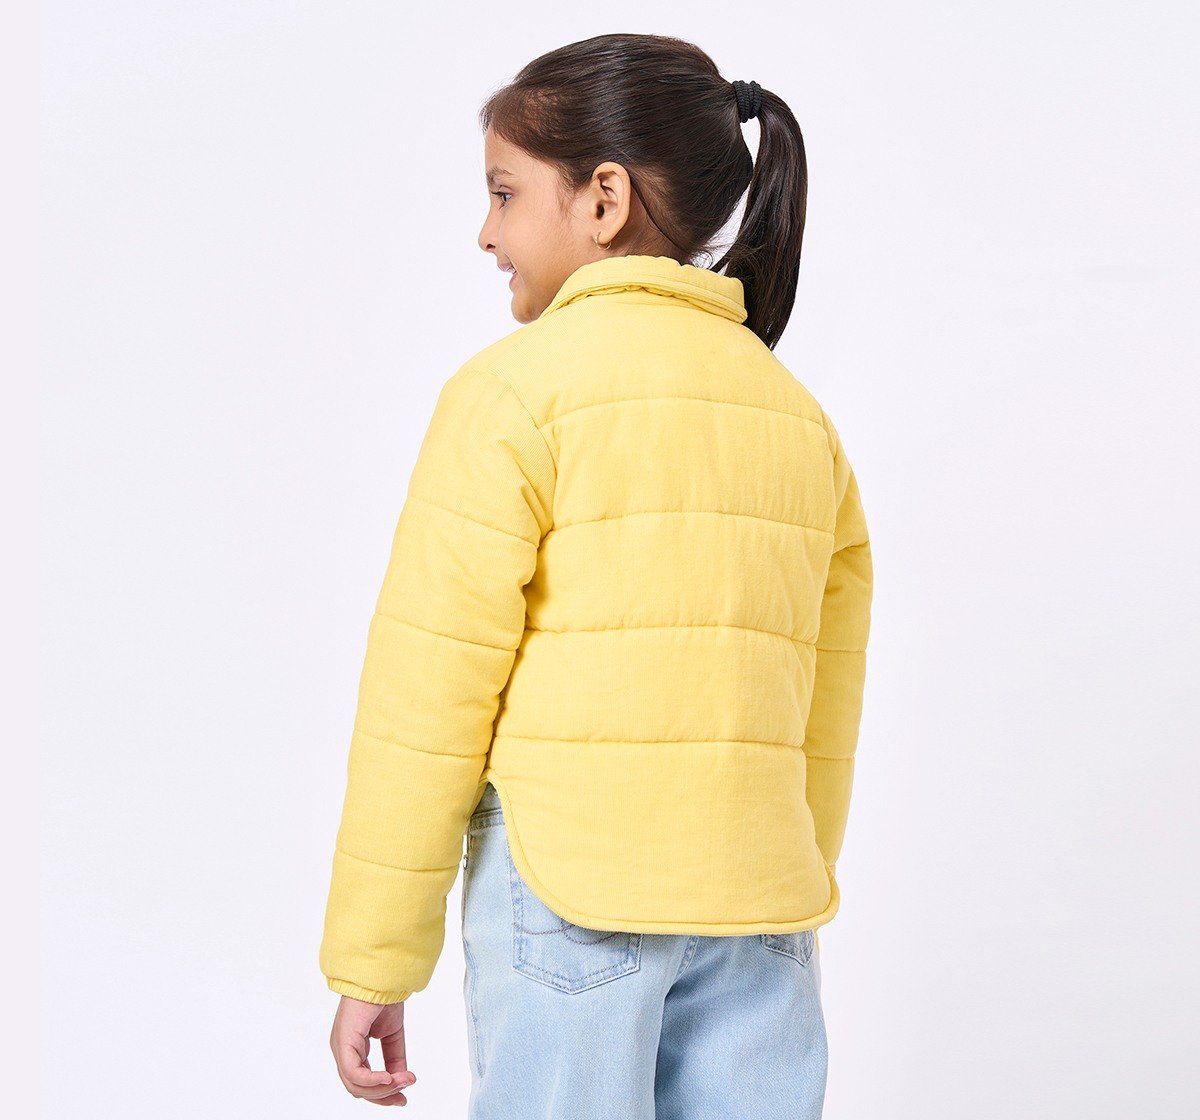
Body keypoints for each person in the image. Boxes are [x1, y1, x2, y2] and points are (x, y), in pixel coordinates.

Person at [320, 32, 873, 1119]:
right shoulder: (796, 417)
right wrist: (783, 860)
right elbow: (828, 692)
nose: (486, 232)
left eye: (504, 193)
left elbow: (427, 695)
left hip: (572, 895)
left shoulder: (513, 396)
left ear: (604, 198)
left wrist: (375, 957)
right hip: (760, 904)